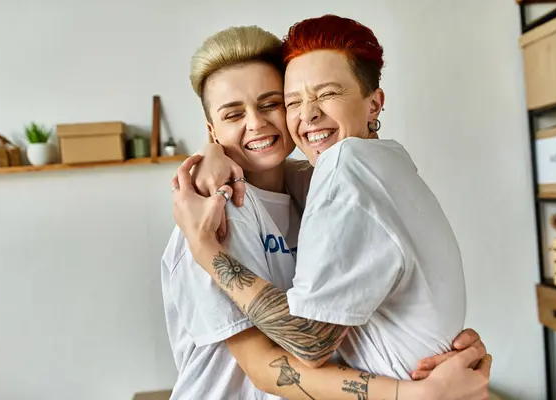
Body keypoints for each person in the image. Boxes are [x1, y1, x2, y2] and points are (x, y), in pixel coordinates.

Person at [171, 15, 491, 400]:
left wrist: (440, 340)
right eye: (233, 114)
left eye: (271, 103)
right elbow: (265, 367)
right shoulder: (209, 218)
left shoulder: (321, 184)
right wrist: (416, 394)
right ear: (212, 129)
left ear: (374, 104)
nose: (256, 123)